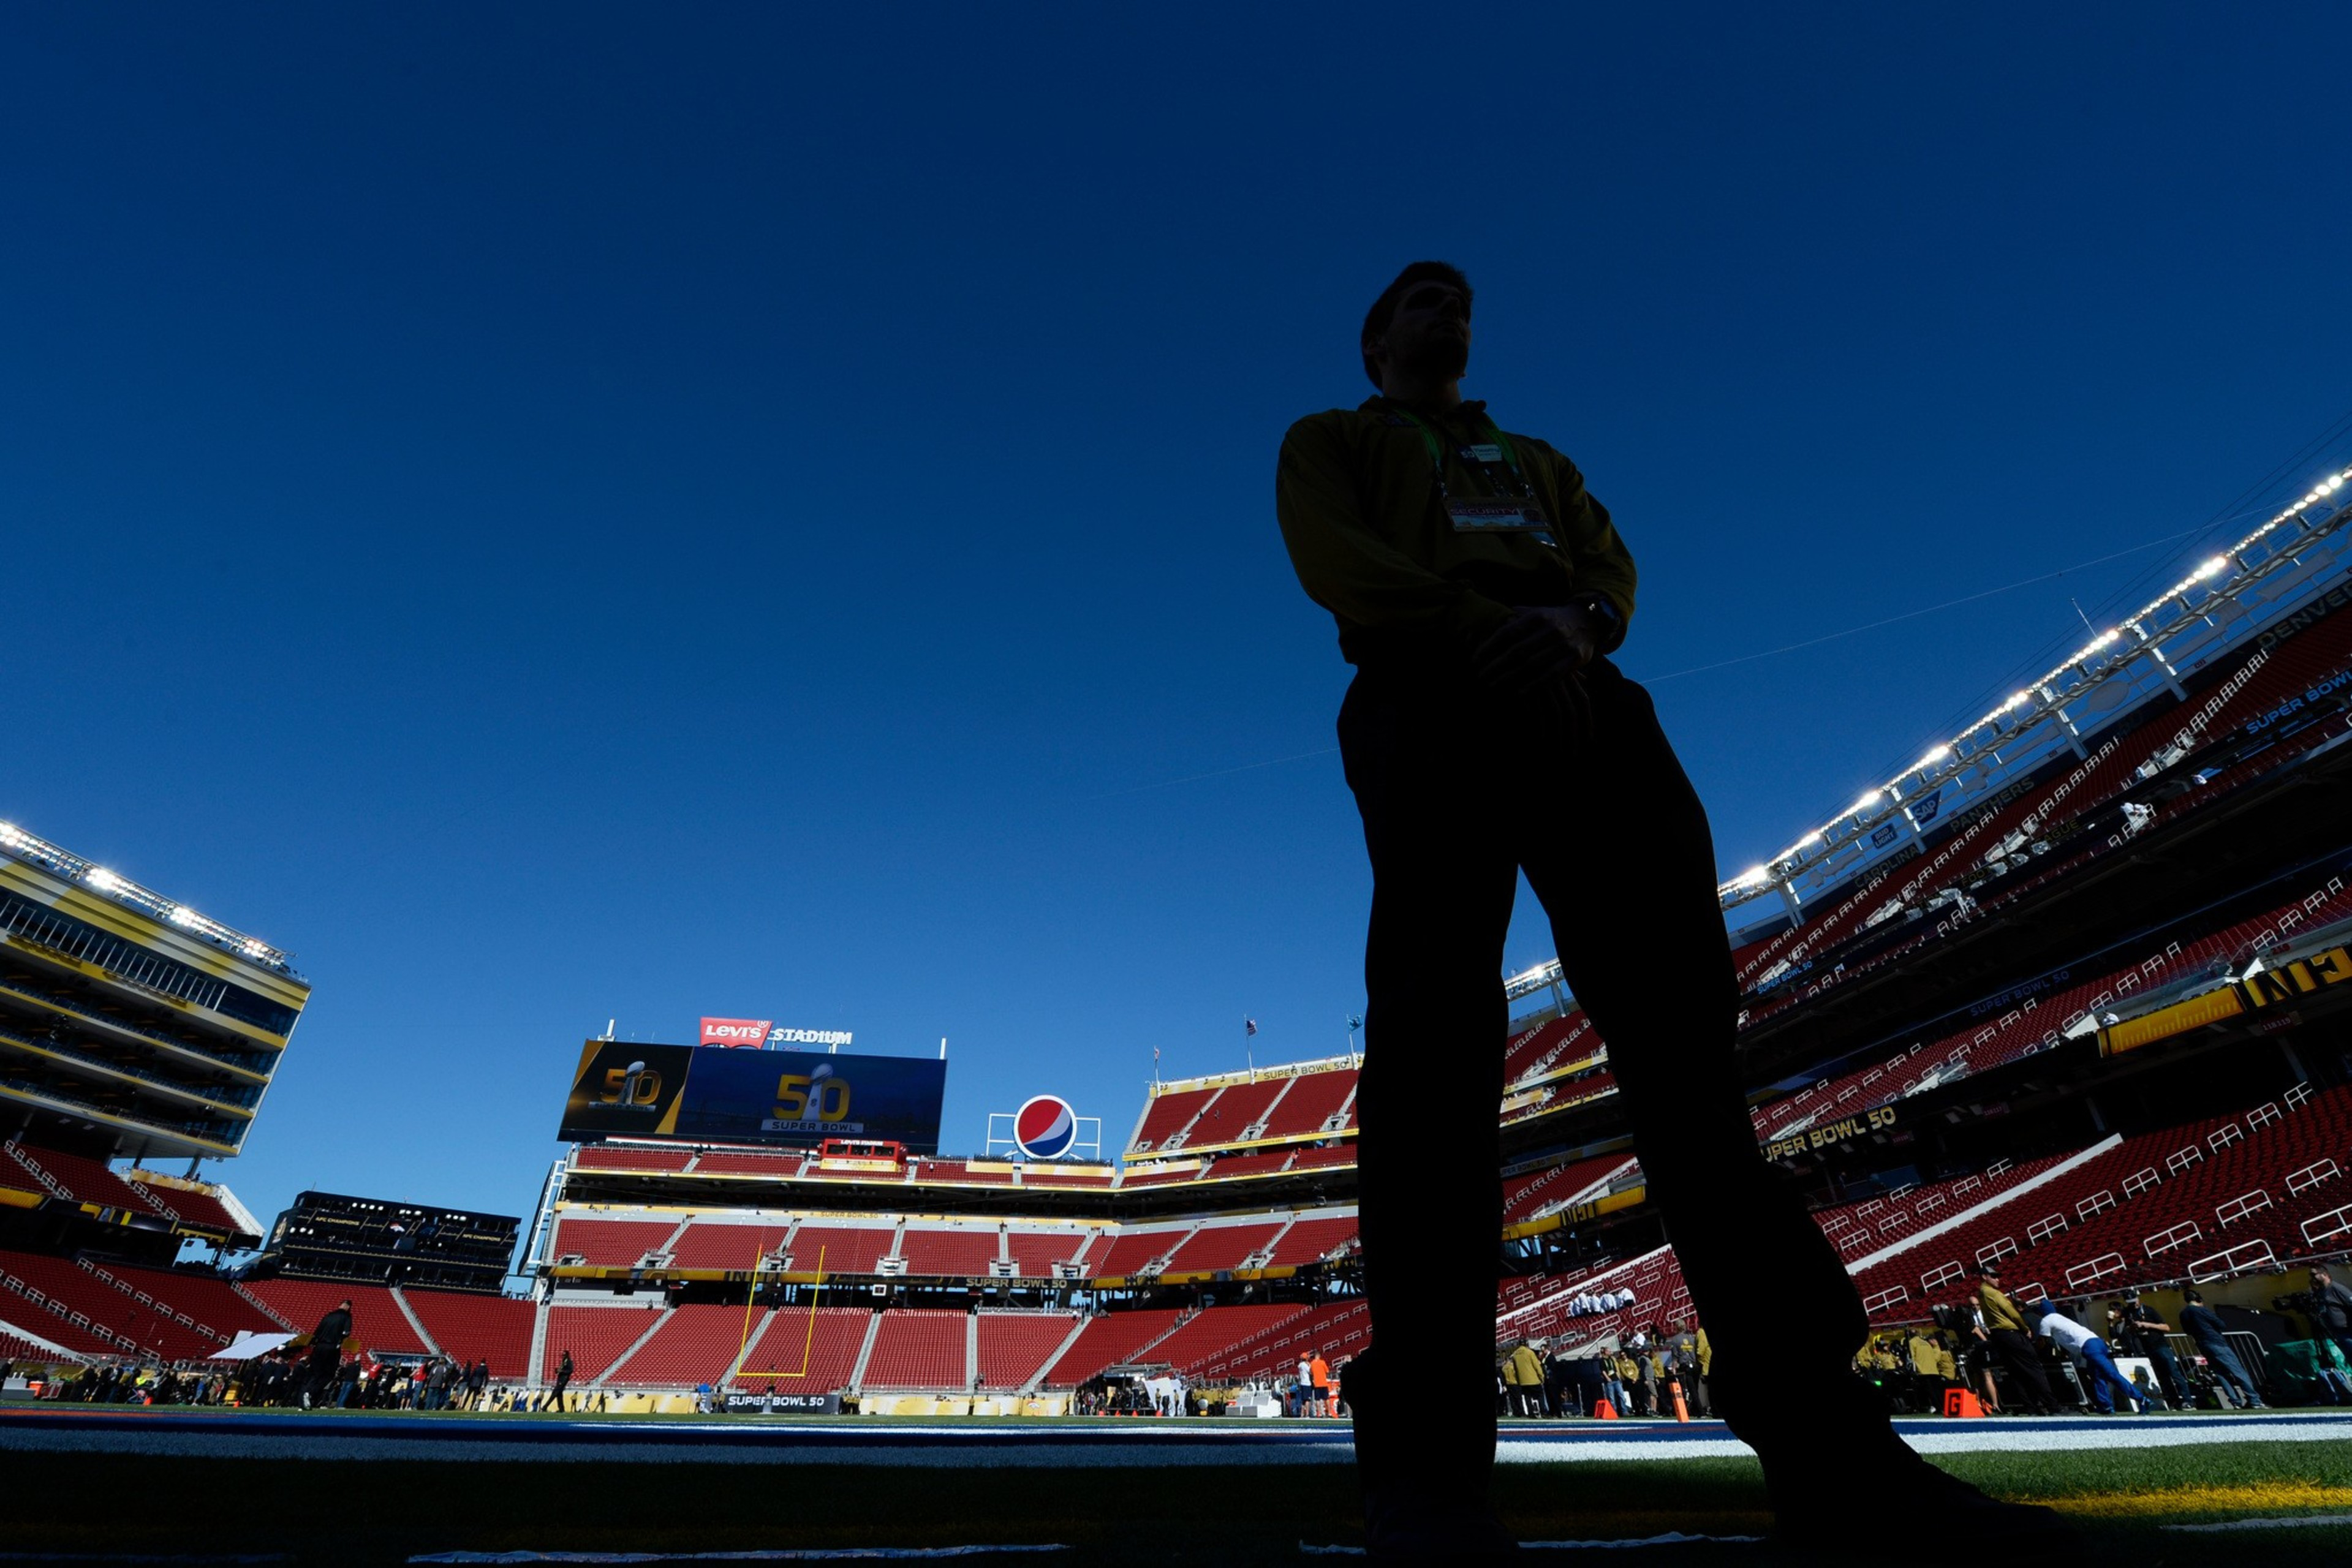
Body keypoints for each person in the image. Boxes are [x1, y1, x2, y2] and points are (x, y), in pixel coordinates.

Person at [1276, 262, 2071, 1560]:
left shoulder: (1532, 455)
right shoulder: (1330, 441)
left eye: (1458, 297)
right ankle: (1426, 1478)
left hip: (1587, 702)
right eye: (1417, 298)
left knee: (1686, 1056)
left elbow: (1606, 566)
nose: (1446, 307)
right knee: (1432, 1054)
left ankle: (1824, 1443)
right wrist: (1483, 625)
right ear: (1371, 342)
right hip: (1431, 691)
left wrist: (1579, 630)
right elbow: (1335, 561)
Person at [2030, 1300, 2144, 1414]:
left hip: (2089, 1347)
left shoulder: (2046, 1320)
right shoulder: (2061, 1318)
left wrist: (2032, 1347)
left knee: (2111, 1375)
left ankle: (2141, 1398)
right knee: (2097, 1377)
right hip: (2097, 1342)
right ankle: (2106, 1406)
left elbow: (2042, 1342)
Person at [1972, 1265, 2057, 1414]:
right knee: (2035, 1369)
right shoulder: (1994, 1294)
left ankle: (2030, 1406)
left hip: (1998, 1336)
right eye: (1994, 1276)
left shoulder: (1981, 1294)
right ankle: (2053, 1406)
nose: (1998, 1279)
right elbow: (2013, 1313)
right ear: (1985, 1277)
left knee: (2016, 1373)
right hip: (2010, 1334)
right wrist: (2025, 1328)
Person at [2178, 1289, 2264, 1409]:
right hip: (2216, 1342)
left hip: (2202, 1344)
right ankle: (2254, 1400)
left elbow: (2187, 1331)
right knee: (2237, 1371)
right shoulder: (2202, 1311)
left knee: (2220, 1373)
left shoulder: (2184, 1314)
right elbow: (2221, 1324)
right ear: (2198, 1299)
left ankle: (2235, 1401)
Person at [2111, 1294, 2187, 1411]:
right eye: (2130, 1302)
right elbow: (2127, 1330)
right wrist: (2133, 1327)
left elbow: (2166, 1327)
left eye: (2134, 1301)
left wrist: (2147, 1325)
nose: (2134, 1304)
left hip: (2160, 1345)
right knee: (2163, 1377)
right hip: (2147, 1348)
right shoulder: (2128, 1312)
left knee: (2174, 1373)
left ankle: (2187, 1400)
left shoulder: (2149, 1310)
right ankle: (2174, 1401)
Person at [304, 1300, 352, 1408]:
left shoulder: (328, 1316)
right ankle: (311, 1393)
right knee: (329, 1374)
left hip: (319, 1347)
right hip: (332, 1347)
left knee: (314, 1373)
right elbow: (346, 1333)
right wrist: (340, 1341)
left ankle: (306, 1394)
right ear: (348, 1307)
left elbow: (317, 1332)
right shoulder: (347, 1317)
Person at [2310, 1265, 2352, 1370]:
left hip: (2347, 1331)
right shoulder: (2320, 1292)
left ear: (2324, 1275)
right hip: (2337, 1333)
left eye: (2314, 1274)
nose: (2312, 1277)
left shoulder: (2336, 1288)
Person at [1502, 1340, 1544, 1418]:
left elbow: (1516, 1369)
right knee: (1540, 1395)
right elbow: (1536, 1366)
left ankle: (1531, 1413)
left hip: (1522, 1380)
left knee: (1527, 1397)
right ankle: (1544, 1412)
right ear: (1526, 1344)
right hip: (1533, 1379)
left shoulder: (1515, 1354)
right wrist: (1541, 1376)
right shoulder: (1530, 1352)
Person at [549, 1348, 575, 1412]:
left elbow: (570, 1370)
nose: (563, 1356)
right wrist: (558, 1370)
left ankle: (545, 1406)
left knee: (555, 1393)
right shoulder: (563, 1362)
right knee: (559, 1395)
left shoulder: (569, 1362)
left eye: (564, 1355)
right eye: (562, 1355)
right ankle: (561, 1409)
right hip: (560, 1379)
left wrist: (562, 1371)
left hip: (563, 1380)